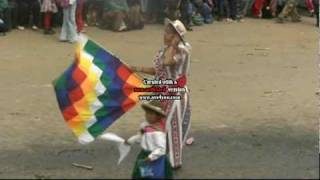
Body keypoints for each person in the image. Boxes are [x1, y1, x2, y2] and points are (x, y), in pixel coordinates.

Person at [130, 19, 192, 169]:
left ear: (176, 36)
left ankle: (174, 162)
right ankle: (160, 155)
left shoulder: (183, 50)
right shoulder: (164, 50)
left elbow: (168, 62)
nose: (164, 35)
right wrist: (135, 68)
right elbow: (157, 70)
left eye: (169, 33)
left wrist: (174, 44)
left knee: (173, 127)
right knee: (158, 123)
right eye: (165, 32)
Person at [126, 100, 173, 179]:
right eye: (147, 113)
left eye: (151, 114)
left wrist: (151, 157)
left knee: (156, 175)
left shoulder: (158, 132)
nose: (147, 116)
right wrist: (130, 141)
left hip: (156, 158)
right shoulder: (144, 126)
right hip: (144, 155)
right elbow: (140, 136)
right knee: (143, 175)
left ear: (158, 116)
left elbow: (161, 149)